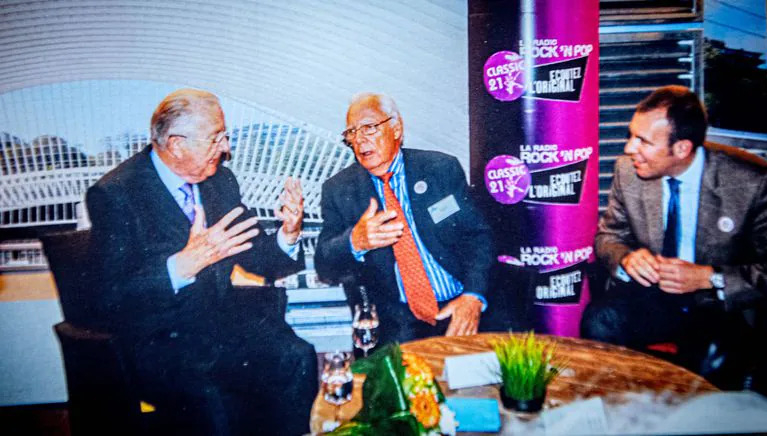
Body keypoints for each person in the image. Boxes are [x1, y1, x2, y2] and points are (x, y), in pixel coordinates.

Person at [86, 89, 317, 435]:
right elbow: (108, 299)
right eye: (216, 138)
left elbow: (256, 255)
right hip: (160, 339)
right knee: (214, 398)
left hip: (220, 327)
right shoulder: (117, 194)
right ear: (177, 144)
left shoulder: (220, 181)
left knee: (296, 356)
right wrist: (182, 266)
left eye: (225, 136)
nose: (225, 147)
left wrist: (289, 232)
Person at [581, 85, 767, 379]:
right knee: (600, 321)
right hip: (652, 296)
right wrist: (627, 259)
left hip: (718, 304)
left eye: (643, 141)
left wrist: (709, 277)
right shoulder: (628, 172)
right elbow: (609, 236)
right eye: (631, 136)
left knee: (714, 358)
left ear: (681, 149)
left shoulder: (750, 184)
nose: (629, 149)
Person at [314, 92, 496, 344]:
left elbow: (479, 238)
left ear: (396, 129)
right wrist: (354, 241)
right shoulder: (338, 189)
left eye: (369, 128)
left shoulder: (440, 169)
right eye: (352, 133)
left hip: (459, 305)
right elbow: (324, 265)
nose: (359, 139)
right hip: (395, 324)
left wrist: (473, 297)